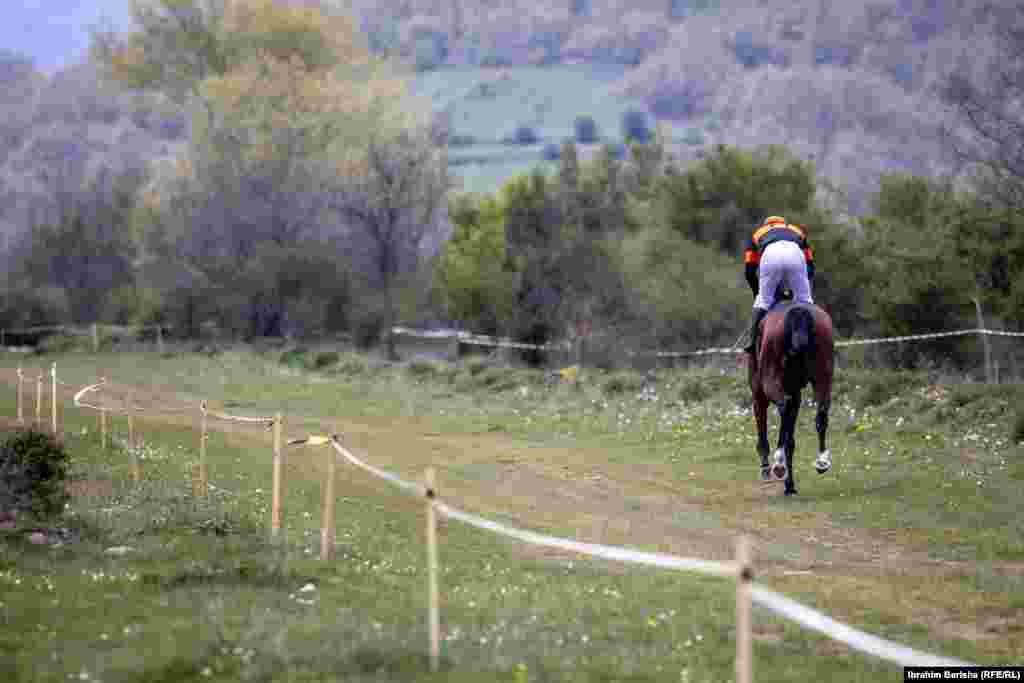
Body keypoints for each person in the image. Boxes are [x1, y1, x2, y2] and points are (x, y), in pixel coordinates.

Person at [742, 216, 815, 362]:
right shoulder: (796, 231)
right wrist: (799, 288)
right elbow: (810, 266)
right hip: (796, 254)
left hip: (770, 255)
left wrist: (758, 293)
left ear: (767, 225)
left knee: (763, 301)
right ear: (783, 224)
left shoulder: (758, 233)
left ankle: (752, 343)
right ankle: (811, 337)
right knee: (805, 300)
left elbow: (750, 271)